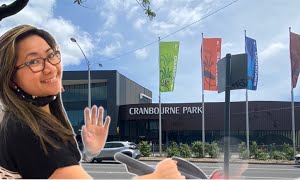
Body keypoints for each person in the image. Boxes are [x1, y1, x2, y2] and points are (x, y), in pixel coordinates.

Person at [0, 24, 185, 179]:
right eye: (33, 62)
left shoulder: (40, 121)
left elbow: (58, 169)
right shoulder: (28, 129)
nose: (50, 68)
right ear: (11, 78)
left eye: (51, 55)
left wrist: (89, 152)